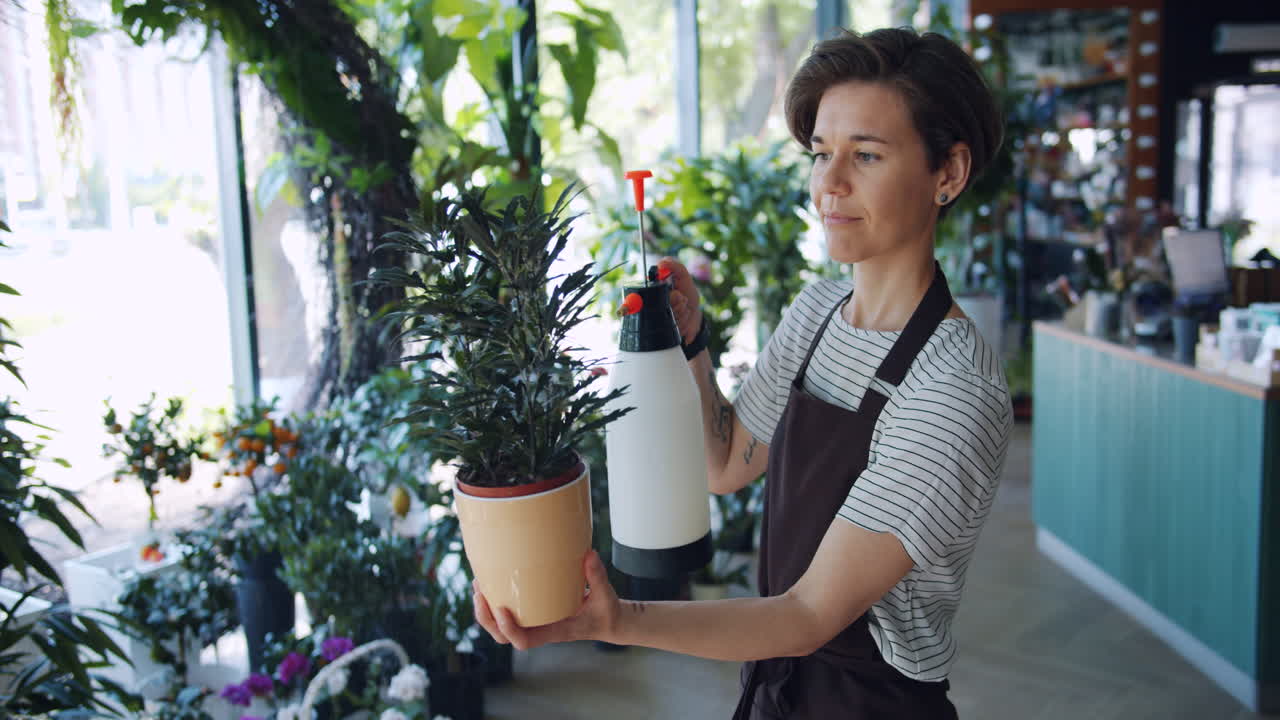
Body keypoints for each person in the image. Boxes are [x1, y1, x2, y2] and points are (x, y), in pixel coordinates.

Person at [474, 27, 1011, 719]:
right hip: (777, 683)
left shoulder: (952, 391)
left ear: (949, 173)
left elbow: (809, 612)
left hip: (868, 702)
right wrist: (689, 345)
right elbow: (726, 460)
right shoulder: (820, 309)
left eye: (867, 156)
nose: (831, 184)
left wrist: (616, 620)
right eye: (822, 154)